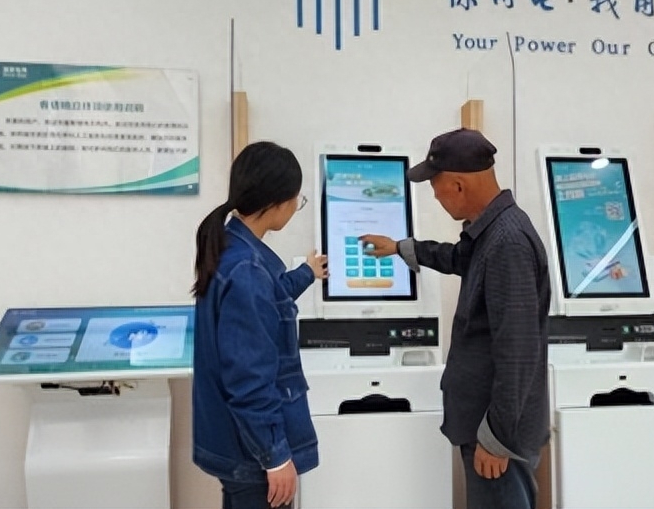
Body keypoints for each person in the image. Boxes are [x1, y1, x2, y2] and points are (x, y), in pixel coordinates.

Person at [360, 128, 550, 509]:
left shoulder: (508, 243)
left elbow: (517, 352)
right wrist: (401, 248)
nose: (434, 195)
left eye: (435, 185)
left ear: (459, 185)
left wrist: (496, 439)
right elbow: (458, 259)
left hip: (497, 436)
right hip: (487, 426)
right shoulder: (492, 232)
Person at [192, 141, 328, 509]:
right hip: (251, 453)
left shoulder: (233, 249)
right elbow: (249, 378)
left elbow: (269, 299)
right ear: (278, 202)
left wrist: (307, 273)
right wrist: (276, 456)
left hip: (235, 442)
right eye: (297, 200)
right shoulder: (247, 271)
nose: (295, 207)